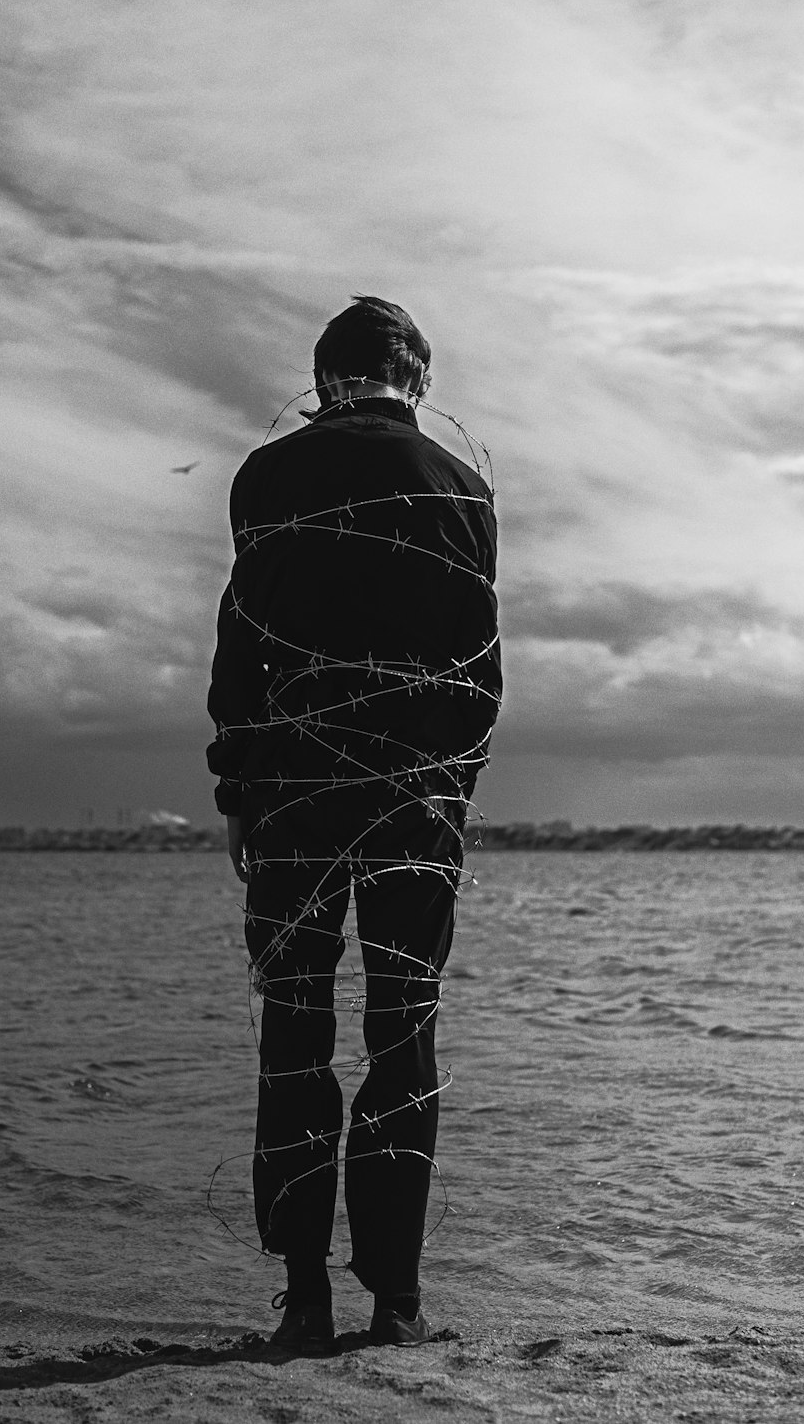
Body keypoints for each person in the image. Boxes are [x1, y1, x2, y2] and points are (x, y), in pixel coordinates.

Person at [207, 295, 500, 1351]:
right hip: (416, 803)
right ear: (417, 381)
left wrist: (237, 785)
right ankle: (398, 1303)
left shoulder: (263, 478)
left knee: (294, 1038)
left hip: (291, 792)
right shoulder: (462, 489)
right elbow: (479, 676)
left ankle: (303, 1302)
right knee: (401, 1033)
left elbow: (241, 647)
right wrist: (446, 797)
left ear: (325, 379)